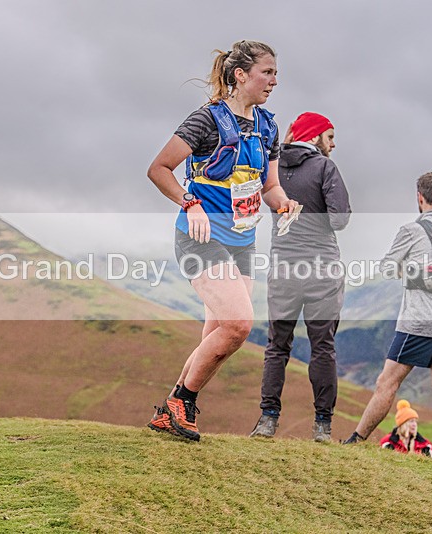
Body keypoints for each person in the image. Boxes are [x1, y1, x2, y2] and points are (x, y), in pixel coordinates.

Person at [145, 40, 298, 442]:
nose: (274, 81)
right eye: (268, 72)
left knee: (218, 331)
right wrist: (189, 201)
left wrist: (283, 204)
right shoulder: (206, 120)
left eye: (276, 73)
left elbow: (271, 186)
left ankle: (171, 410)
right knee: (237, 325)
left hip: (242, 243)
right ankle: (183, 400)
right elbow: (159, 169)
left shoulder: (268, 126)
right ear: (240, 75)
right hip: (199, 238)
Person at [344, 171, 432, 461]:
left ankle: (356, 440)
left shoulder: (411, 230)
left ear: (419, 198)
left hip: (419, 320)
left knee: (387, 382)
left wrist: (406, 269)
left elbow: (387, 267)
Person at [248, 112, 351, 442]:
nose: (333, 144)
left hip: (283, 269)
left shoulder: (272, 168)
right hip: (321, 269)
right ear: (315, 135)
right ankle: (322, 426)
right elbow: (340, 221)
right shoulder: (324, 167)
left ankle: (267, 420)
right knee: (323, 346)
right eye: (330, 136)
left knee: (277, 346)